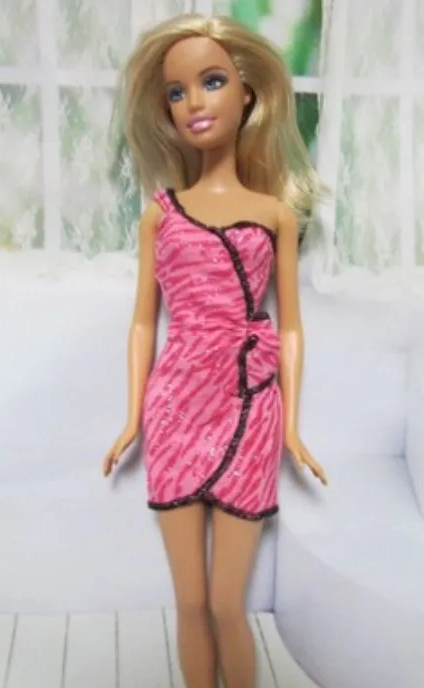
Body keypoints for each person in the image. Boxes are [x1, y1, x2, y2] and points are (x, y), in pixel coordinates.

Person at [102, 14, 327, 688]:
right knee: (192, 602)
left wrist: (291, 426)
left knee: (229, 604)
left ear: (247, 92)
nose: (194, 103)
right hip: (175, 408)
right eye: (176, 92)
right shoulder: (161, 214)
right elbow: (143, 321)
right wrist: (133, 417)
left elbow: (290, 325)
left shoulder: (273, 213)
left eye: (211, 82)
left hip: (250, 406)